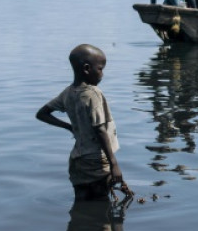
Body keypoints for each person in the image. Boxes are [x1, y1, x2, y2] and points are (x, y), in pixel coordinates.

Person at [36, 44, 129, 201]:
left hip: (77, 162)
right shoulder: (93, 94)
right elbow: (100, 130)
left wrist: (69, 127)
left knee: (82, 202)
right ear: (87, 68)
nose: (102, 74)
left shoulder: (68, 93)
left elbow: (42, 114)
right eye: (100, 69)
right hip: (96, 162)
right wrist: (114, 165)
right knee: (102, 207)